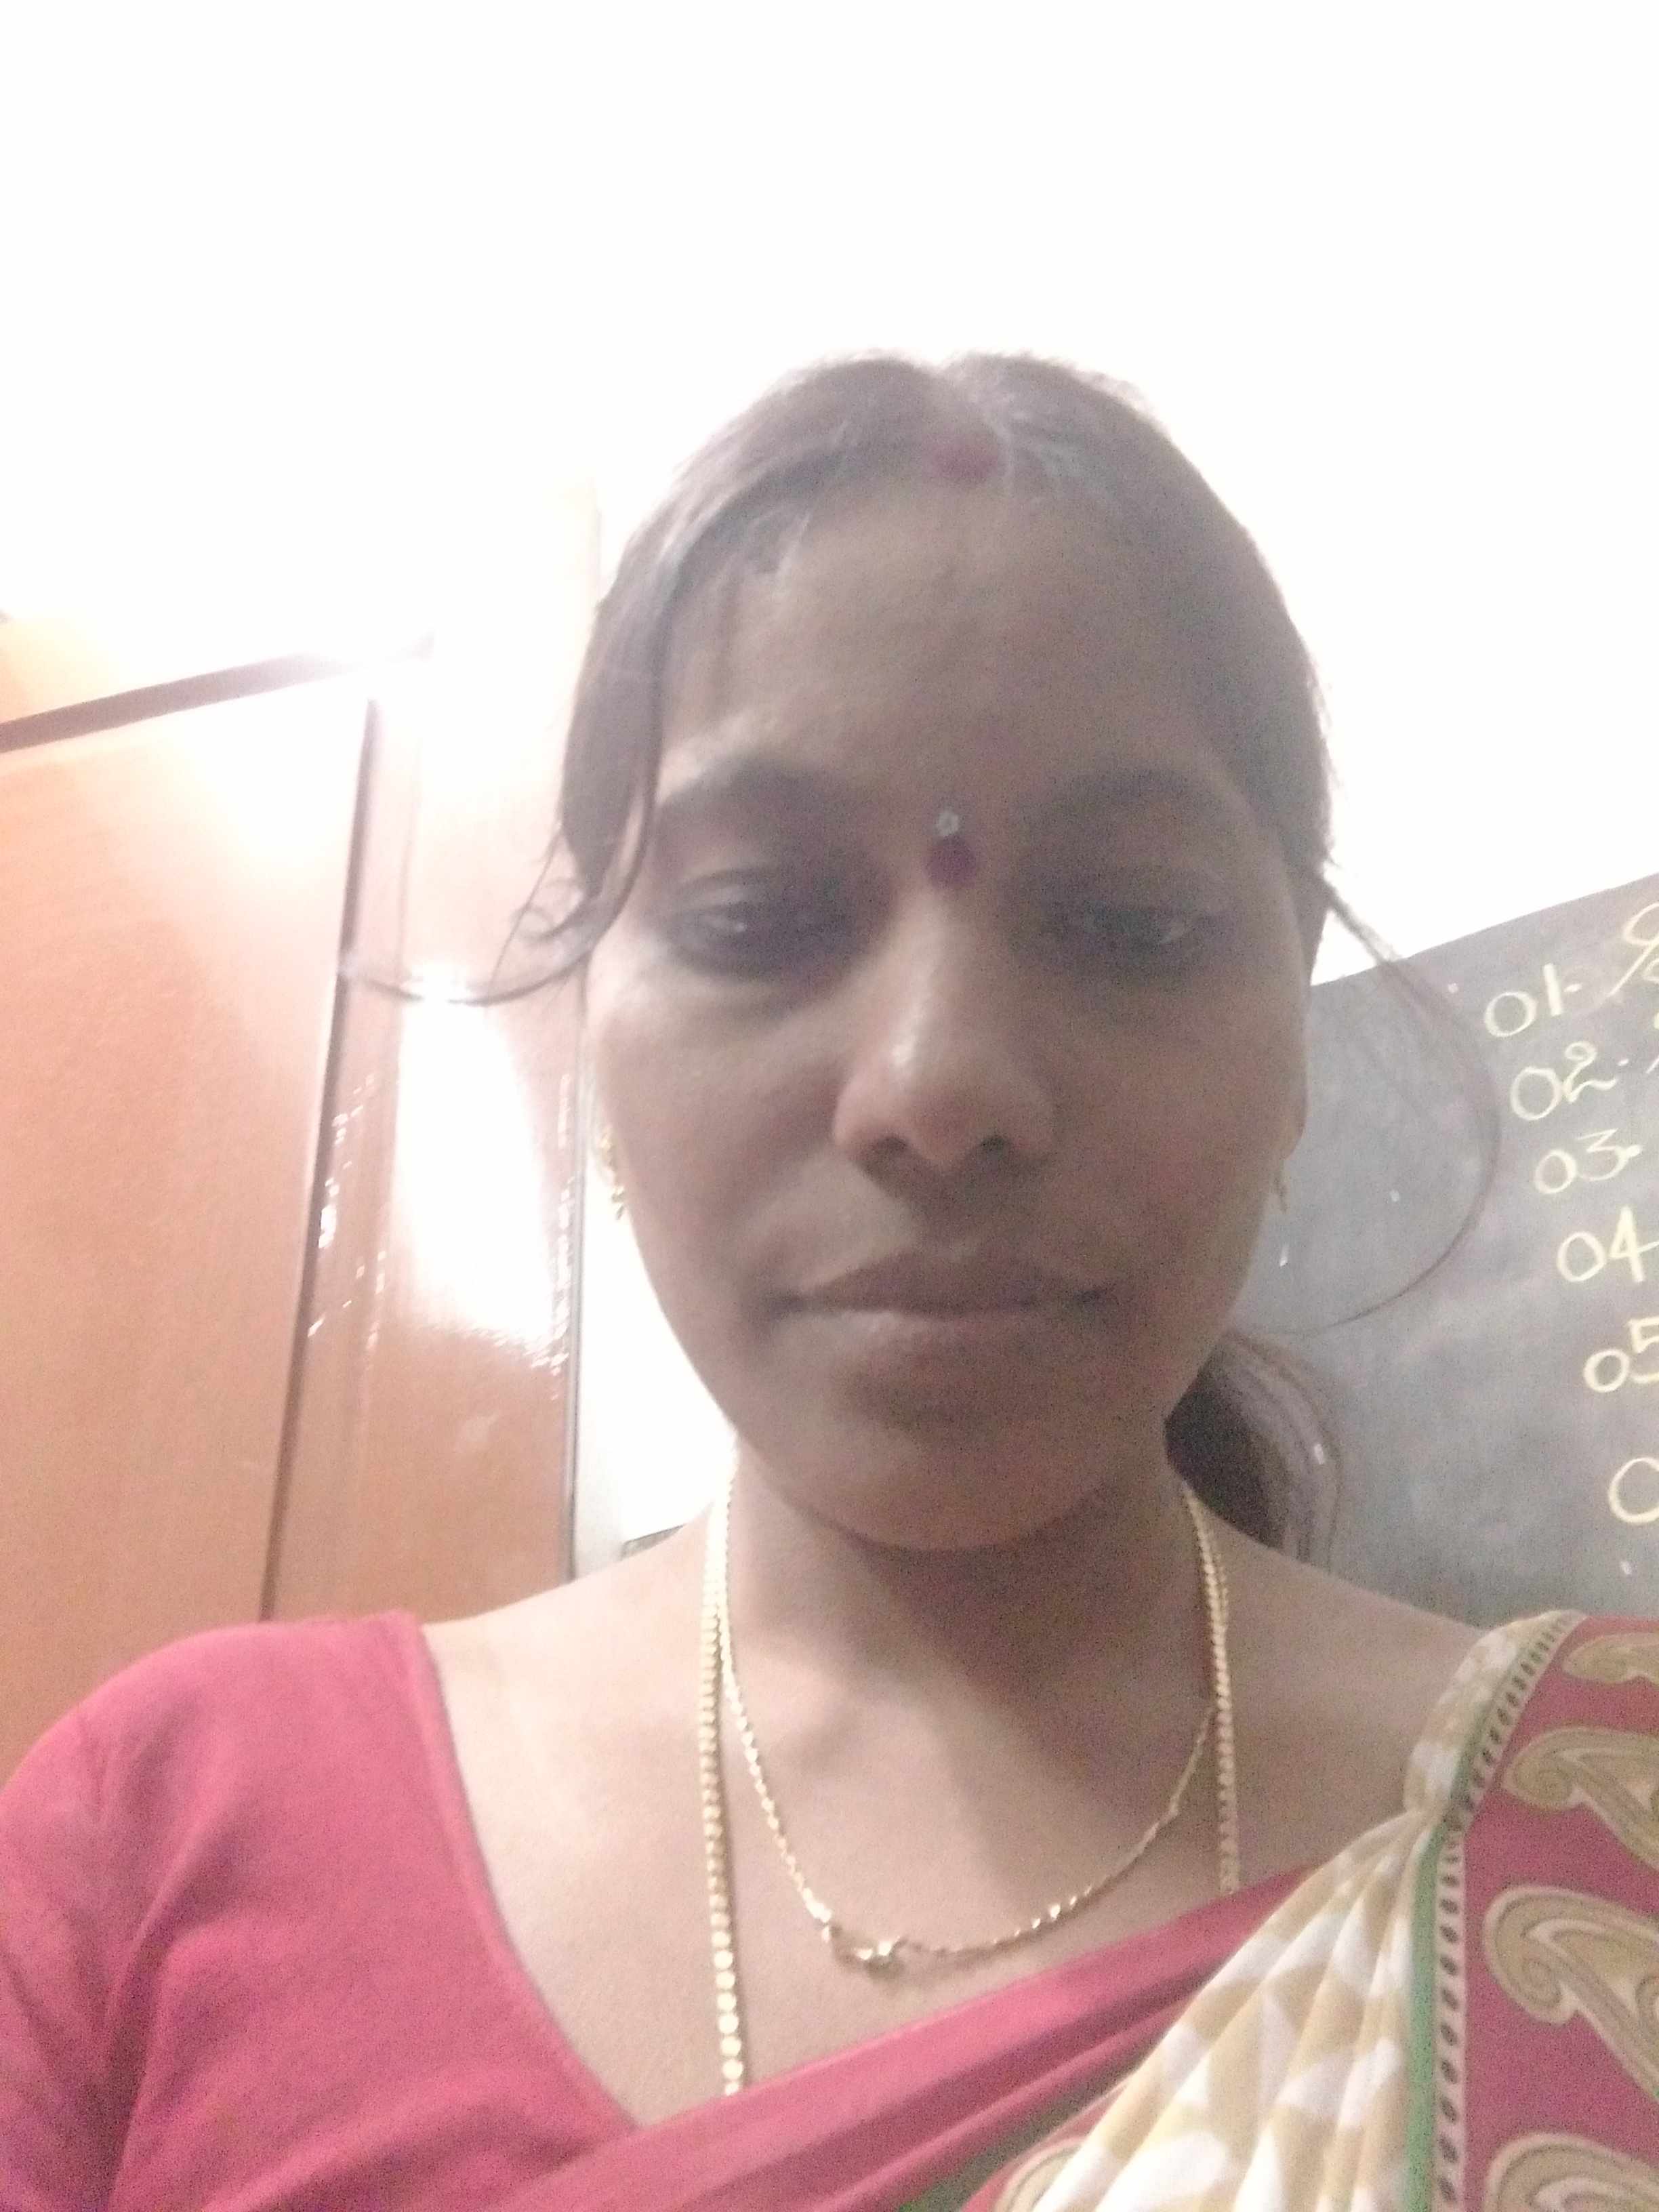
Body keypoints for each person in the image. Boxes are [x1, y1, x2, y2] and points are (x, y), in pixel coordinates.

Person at [3, 355, 1656, 2211]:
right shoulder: (169, 1837)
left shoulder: (1614, 1825)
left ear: (1293, 1052)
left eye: (1128, 925)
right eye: (759, 920)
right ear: (590, 1039)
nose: (938, 1085)